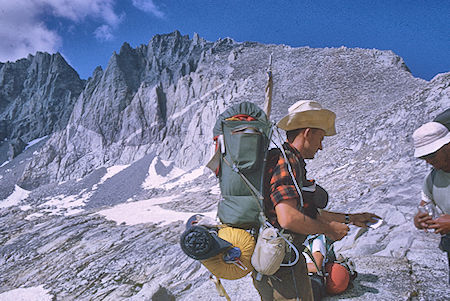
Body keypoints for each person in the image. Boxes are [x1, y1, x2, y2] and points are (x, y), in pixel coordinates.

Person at [252, 100, 380, 301]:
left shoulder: (289, 161)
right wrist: (328, 230)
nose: (321, 147)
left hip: (285, 261)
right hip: (282, 266)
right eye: (320, 138)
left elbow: (307, 212)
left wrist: (351, 218)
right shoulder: (287, 161)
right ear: (308, 132)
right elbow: (288, 218)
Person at [412, 109, 450, 283]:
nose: (429, 161)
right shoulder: (432, 178)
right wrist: (419, 220)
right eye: (424, 157)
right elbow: (424, 203)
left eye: (432, 155)